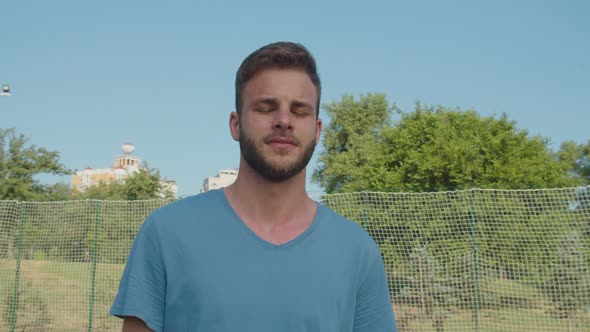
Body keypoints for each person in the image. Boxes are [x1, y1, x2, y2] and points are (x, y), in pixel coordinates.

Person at [110, 41, 397, 332]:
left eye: (299, 111)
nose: (283, 121)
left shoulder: (358, 252)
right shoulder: (166, 233)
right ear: (236, 124)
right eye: (266, 107)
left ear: (317, 130)